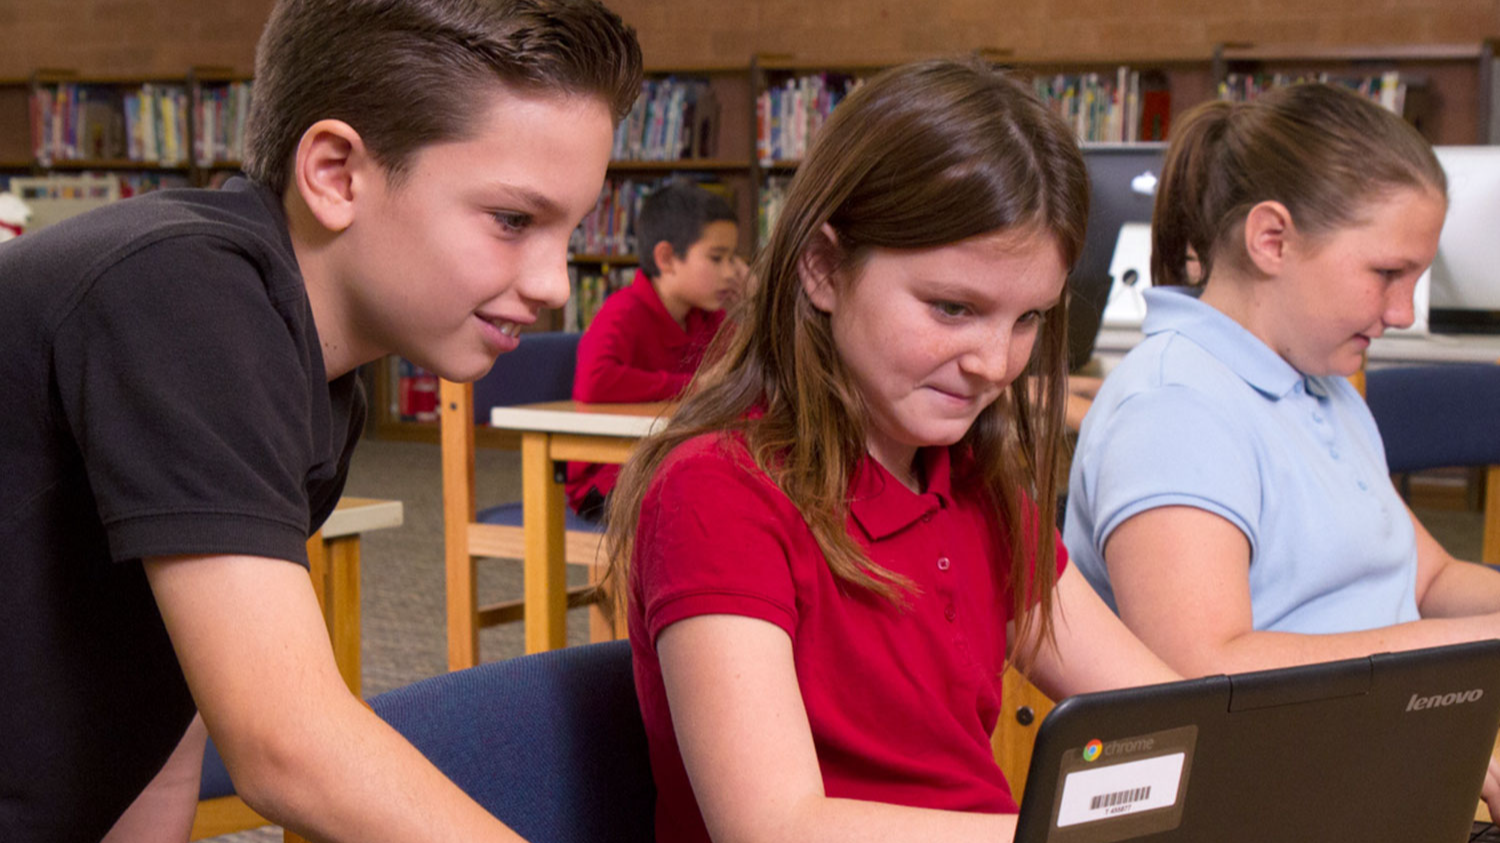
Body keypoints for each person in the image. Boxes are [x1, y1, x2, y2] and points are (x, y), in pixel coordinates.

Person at [0, 1, 640, 841]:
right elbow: (286, 742)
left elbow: (174, 695)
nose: (557, 283)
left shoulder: (319, 382)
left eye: (570, 231)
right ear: (336, 174)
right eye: (513, 220)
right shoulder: (184, 292)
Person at [599, 59, 1180, 843]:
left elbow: (1164, 712)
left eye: (1027, 319)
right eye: (952, 306)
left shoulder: (972, 479)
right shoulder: (716, 491)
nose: (995, 363)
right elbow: (775, 826)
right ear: (825, 267)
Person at [1062, 84, 1500, 806]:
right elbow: (1202, 670)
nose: (1401, 311)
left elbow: (1427, 580)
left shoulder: (1321, 383)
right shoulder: (1175, 406)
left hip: (1364, 763)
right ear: (1272, 239)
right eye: (1388, 274)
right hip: (1253, 794)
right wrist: (1459, 655)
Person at [566, 181, 747, 518]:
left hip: (671, 459)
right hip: (610, 475)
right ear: (666, 258)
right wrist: (692, 387)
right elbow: (595, 381)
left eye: (733, 259)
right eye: (717, 258)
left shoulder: (711, 319)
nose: (729, 273)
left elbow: (743, 375)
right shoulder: (624, 310)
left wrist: (751, 303)